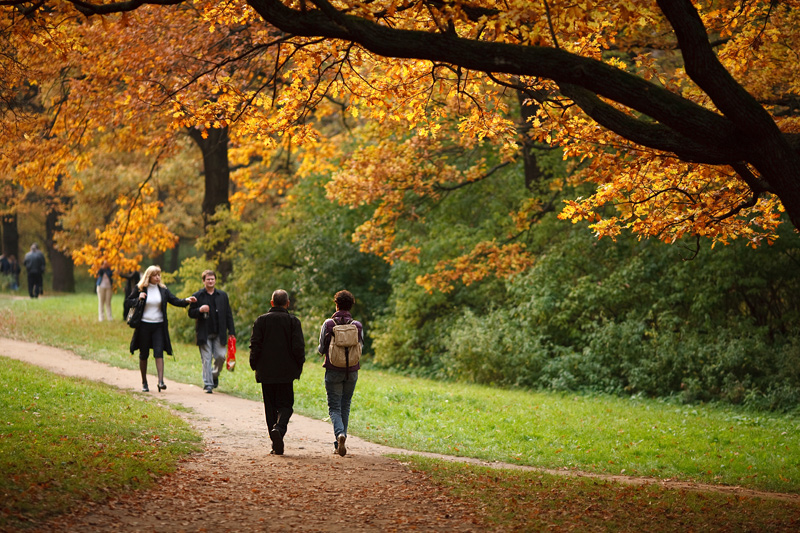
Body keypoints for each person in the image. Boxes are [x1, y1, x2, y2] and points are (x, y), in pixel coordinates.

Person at [249, 289, 305, 455]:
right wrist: (298, 365)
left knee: (270, 408)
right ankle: (279, 429)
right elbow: (298, 347)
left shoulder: (261, 321)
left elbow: (255, 345)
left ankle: (275, 442)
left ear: (271, 302)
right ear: (287, 303)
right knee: (286, 405)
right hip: (286, 372)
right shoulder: (293, 322)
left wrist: (254, 365)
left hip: (266, 371)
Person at [127, 265, 196, 393]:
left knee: (159, 352)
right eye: (155, 275)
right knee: (144, 354)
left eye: (159, 275)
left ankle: (160, 381)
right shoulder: (141, 288)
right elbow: (128, 302)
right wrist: (138, 298)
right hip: (144, 326)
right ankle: (144, 382)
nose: (158, 277)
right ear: (149, 276)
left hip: (159, 326)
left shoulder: (163, 290)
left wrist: (186, 300)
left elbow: (174, 300)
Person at [317, 289, 363, 457]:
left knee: (334, 406)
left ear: (336, 304)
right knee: (346, 405)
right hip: (351, 371)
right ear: (350, 306)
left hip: (333, 369)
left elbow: (321, 348)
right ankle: (341, 440)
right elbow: (360, 348)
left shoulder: (329, 324)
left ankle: (339, 435)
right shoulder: (357, 326)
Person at [188, 269, 236, 393]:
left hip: (220, 332)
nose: (210, 281)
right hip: (204, 333)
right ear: (203, 281)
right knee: (206, 359)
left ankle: (214, 375)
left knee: (220, 357)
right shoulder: (198, 296)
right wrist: (199, 310)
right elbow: (190, 313)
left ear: (215, 280)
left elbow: (228, 314)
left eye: (212, 279)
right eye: (208, 279)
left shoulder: (223, 296)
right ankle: (208, 384)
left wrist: (232, 331)